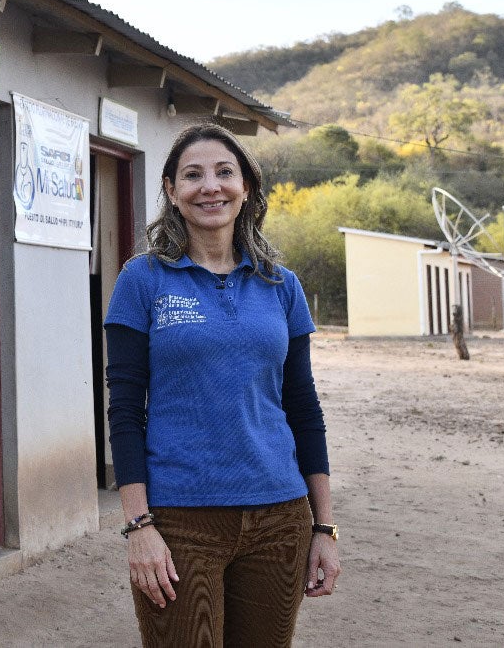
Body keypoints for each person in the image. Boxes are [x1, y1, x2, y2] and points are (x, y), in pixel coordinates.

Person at [104, 122, 339, 647]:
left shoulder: (281, 284)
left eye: (224, 172)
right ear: (171, 190)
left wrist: (324, 528)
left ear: (247, 187)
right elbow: (124, 411)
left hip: (280, 517)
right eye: (192, 175)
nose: (210, 186)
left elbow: (303, 408)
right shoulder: (143, 280)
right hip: (181, 520)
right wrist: (139, 526)